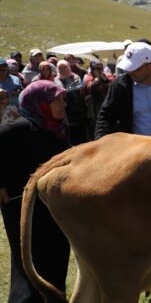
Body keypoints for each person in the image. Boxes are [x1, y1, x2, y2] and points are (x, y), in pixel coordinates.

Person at [0, 81, 71, 302]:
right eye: (57, 99)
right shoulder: (17, 129)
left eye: (62, 99)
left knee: (57, 254)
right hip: (22, 208)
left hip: (52, 206)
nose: (63, 104)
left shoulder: (56, 130)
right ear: (40, 103)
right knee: (31, 258)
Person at [55, 60, 89, 144]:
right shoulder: (56, 80)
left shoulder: (75, 77)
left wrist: (67, 91)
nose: (63, 69)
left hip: (78, 109)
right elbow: (61, 93)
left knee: (81, 133)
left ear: (68, 67)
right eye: (60, 68)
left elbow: (79, 89)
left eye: (65, 67)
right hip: (66, 110)